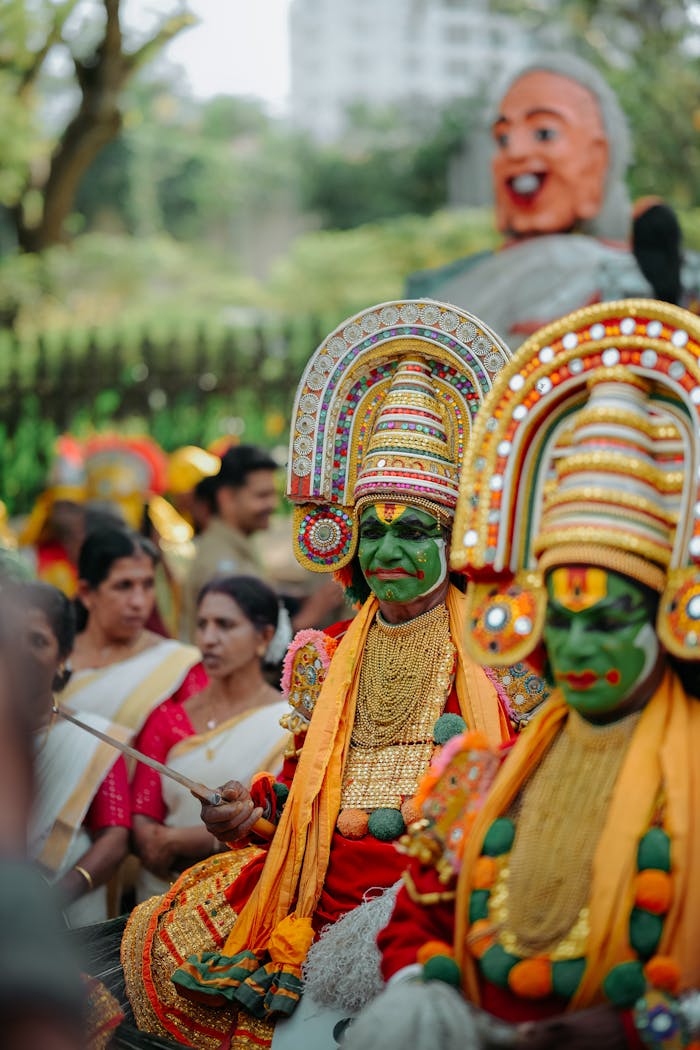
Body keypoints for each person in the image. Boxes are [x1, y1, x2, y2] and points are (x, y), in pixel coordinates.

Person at [118, 299, 547, 1049]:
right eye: (371, 529)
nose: (387, 550)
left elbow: (526, 788)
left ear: (457, 540)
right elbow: (296, 788)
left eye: (412, 531)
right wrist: (245, 814)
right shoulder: (328, 651)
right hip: (307, 888)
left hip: (431, 893)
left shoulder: (503, 654)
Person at [362, 299, 700, 1049]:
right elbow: (418, 914)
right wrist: (432, 999)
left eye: (607, 620)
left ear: (671, 617)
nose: (576, 648)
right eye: (562, 619)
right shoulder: (491, 773)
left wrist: (630, 1027)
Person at [408, 53, 700, 347]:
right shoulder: (442, 282)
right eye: (503, 138)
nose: (515, 152)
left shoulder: (623, 273)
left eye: (544, 133)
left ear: (597, 157)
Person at [131, 575, 290, 900]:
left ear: (264, 636)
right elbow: (143, 810)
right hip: (160, 892)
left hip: (245, 892)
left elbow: (284, 818)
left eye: (225, 625)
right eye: (202, 625)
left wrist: (190, 840)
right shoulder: (168, 716)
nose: (208, 639)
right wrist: (150, 839)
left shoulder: (288, 721)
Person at [10, 581, 131, 927]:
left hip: (65, 919)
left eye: (37, 640)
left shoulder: (94, 738)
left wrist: (51, 899)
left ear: (63, 657)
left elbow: (115, 836)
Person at [61, 525, 204, 734]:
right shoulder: (52, 661)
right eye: (123, 586)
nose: (139, 602)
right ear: (86, 593)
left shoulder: (179, 665)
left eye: (148, 585)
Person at [179, 444, 279, 641]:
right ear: (227, 498)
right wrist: (310, 615)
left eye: (272, 494)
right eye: (262, 496)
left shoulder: (239, 544)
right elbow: (237, 643)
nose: (273, 504)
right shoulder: (219, 561)